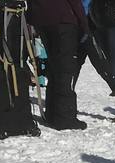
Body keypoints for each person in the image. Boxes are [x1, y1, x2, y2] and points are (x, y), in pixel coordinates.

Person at [28, 0, 89, 130]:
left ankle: (52, 112)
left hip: (41, 19)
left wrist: (32, 17)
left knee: (54, 67)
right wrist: (84, 23)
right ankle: (64, 117)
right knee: (65, 68)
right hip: (62, 19)